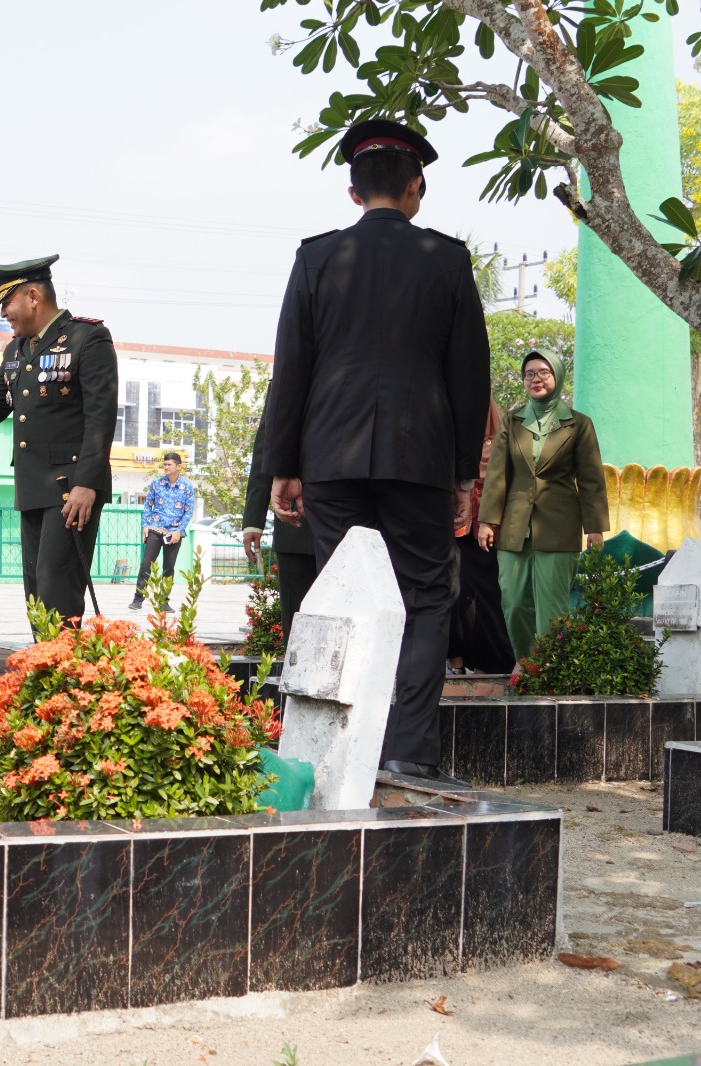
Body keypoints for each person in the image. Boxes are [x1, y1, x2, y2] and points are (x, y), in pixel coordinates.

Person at [264, 119, 489, 786]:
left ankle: (339, 747)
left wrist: (285, 465)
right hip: (420, 459)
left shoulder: (316, 257)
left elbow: (292, 365)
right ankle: (408, 751)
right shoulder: (446, 260)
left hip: (331, 456)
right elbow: (468, 376)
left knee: (344, 592)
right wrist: (464, 475)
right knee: (424, 597)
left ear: (353, 191)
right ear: (416, 187)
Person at [0, 255, 118, 629]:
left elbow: (100, 418)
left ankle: (67, 678)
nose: (5, 313)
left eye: (7, 303)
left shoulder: (88, 338)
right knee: (37, 594)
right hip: (33, 489)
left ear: (33, 296)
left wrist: (87, 483)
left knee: (58, 588)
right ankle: (46, 673)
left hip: (72, 490)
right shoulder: (15, 351)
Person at [477, 351, 609, 664]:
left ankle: (553, 672)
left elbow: (591, 479)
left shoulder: (578, 424)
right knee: (514, 602)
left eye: (544, 372)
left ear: (558, 376)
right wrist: (487, 521)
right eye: (529, 373)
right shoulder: (513, 420)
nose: (536, 379)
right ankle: (526, 666)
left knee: (552, 606)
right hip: (514, 526)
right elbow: (497, 474)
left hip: (559, 526)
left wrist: (594, 528)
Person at [448, 396, 514, 673]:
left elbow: (504, 479)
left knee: (486, 596)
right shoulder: (445, 438)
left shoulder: (501, 446)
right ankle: (455, 660)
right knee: (451, 590)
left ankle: (487, 664)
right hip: (448, 527)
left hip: (486, 533)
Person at [242, 408, 316, 641]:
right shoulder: (288, 378)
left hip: (356, 525)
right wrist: (254, 520)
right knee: (297, 626)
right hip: (296, 526)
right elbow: (267, 449)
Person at [130, 451, 194, 610]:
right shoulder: (156, 483)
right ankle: (137, 599)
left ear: (178, 466)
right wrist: (145, 524)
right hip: (155, 529)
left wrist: (179, 530)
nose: (166, 467)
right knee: (146, 564)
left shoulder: (187, 487)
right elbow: (147, 505)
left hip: (174, 534)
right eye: (164, 464)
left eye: (169, 464)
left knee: (168, 567)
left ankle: (164, 602)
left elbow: (188, 511)